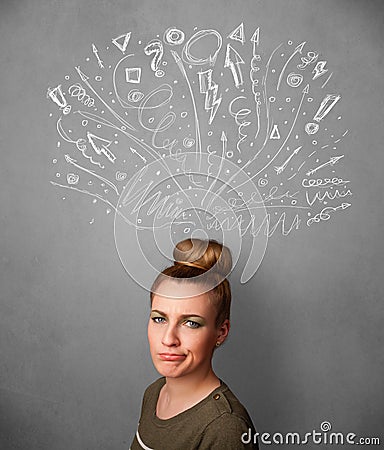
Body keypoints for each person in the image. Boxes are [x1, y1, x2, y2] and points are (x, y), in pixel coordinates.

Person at [130, 238, 259, 449]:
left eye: (191, 323)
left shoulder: (225, 426)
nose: (168, 339)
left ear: (221, 332)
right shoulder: (153, 393)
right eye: (159, 319)